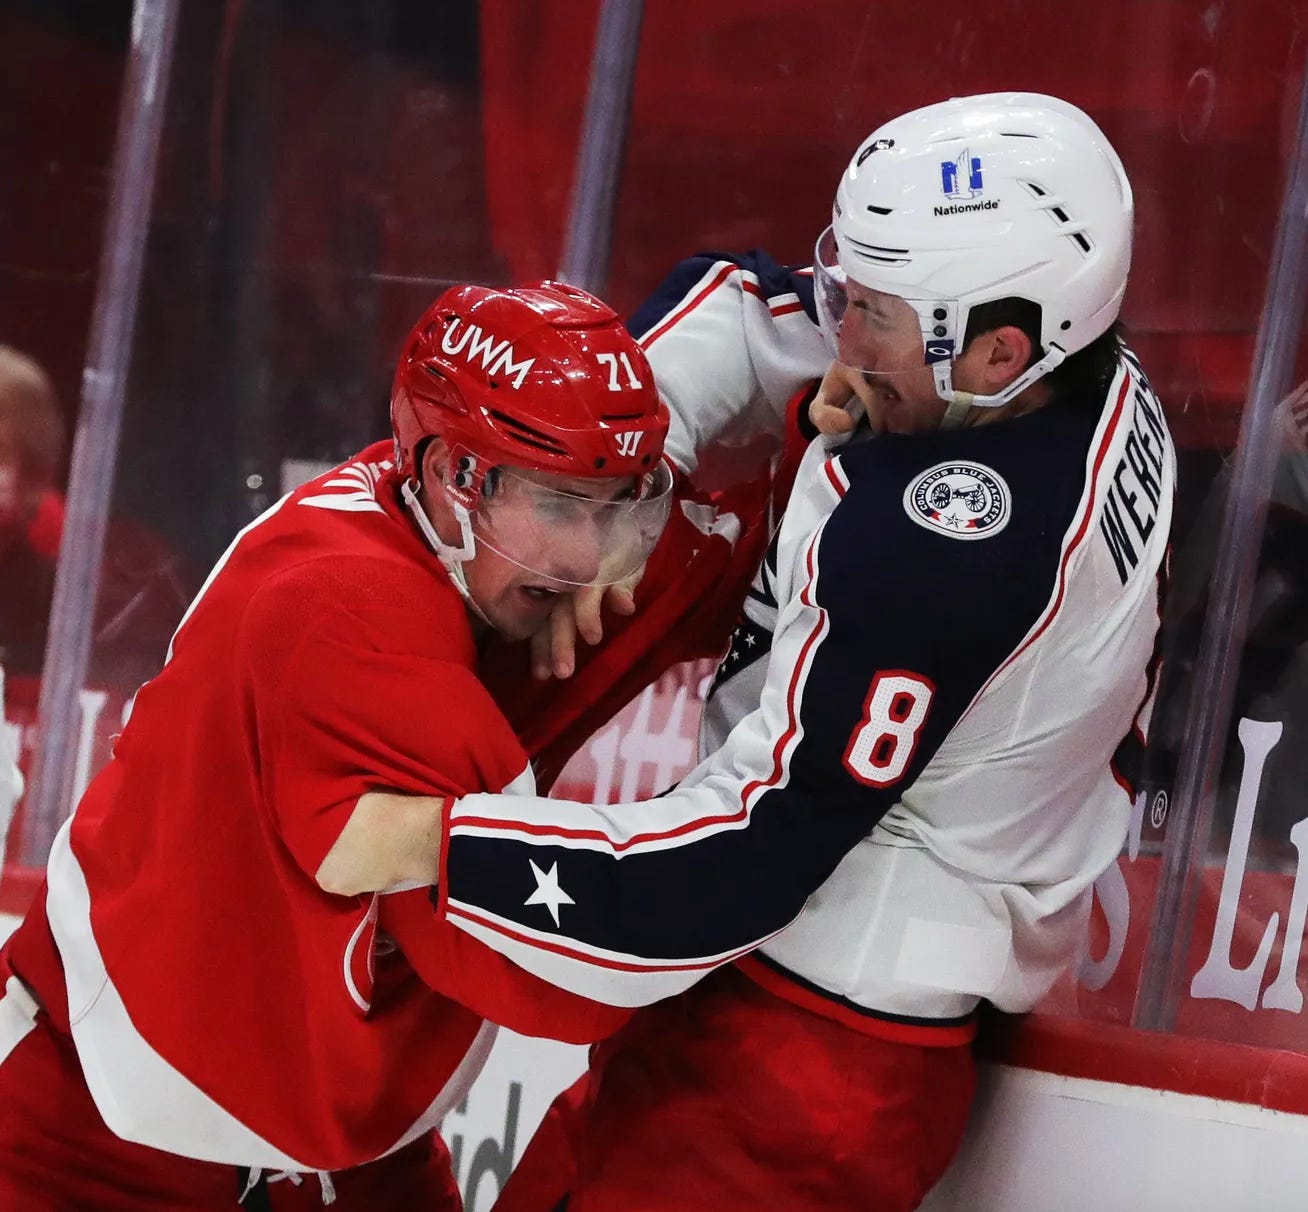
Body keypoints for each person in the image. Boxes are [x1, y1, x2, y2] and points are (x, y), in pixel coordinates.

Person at [423, 93, 1177, 1212]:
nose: (839, 333)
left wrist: (442, 848)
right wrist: (617, 488)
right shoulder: (1069, 376)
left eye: (873, 312)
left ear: (999, 350)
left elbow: (733, 868)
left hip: (803, 1074)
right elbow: (735, 297)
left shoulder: (952, 545)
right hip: (775, 1020)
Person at [0, 280, 778, 1209]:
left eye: (622, 505)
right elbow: (541, 970)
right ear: (455, 474)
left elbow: (744, 296)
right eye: (567, 506)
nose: (591, 554)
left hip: (333, 1160)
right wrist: (764, 845)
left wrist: (825, 424)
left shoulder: (472, 535)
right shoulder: (347, 609)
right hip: (95, 1145)